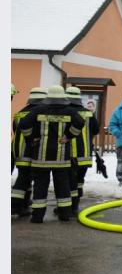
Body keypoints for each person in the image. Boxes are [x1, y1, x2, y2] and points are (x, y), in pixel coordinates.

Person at [19, 85, 85, 222]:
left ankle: (37, 217)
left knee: (40, 187)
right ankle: (64, 215)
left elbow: (24, 124)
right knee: (63, 187)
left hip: (40, 159)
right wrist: (68, 136)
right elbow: (80, 122)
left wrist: (31, 138)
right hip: (61, 159)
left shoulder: (38, 109)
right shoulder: (70, 111)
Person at [11, 87, 47, 217]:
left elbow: (15, 130)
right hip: (29, 150)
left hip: (17, 149)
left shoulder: (20, 112)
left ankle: (25, 202)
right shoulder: (39, 113)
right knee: (24, 178)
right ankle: (15, 206)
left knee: (25, 176)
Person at [66, 87, 99, 213]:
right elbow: (96, 130)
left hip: (70, 154)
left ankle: (69, 208)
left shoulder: (65, 112)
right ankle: (75, 206)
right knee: (79, 181)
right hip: (85, 154)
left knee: (70, 182)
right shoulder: (89, 113)